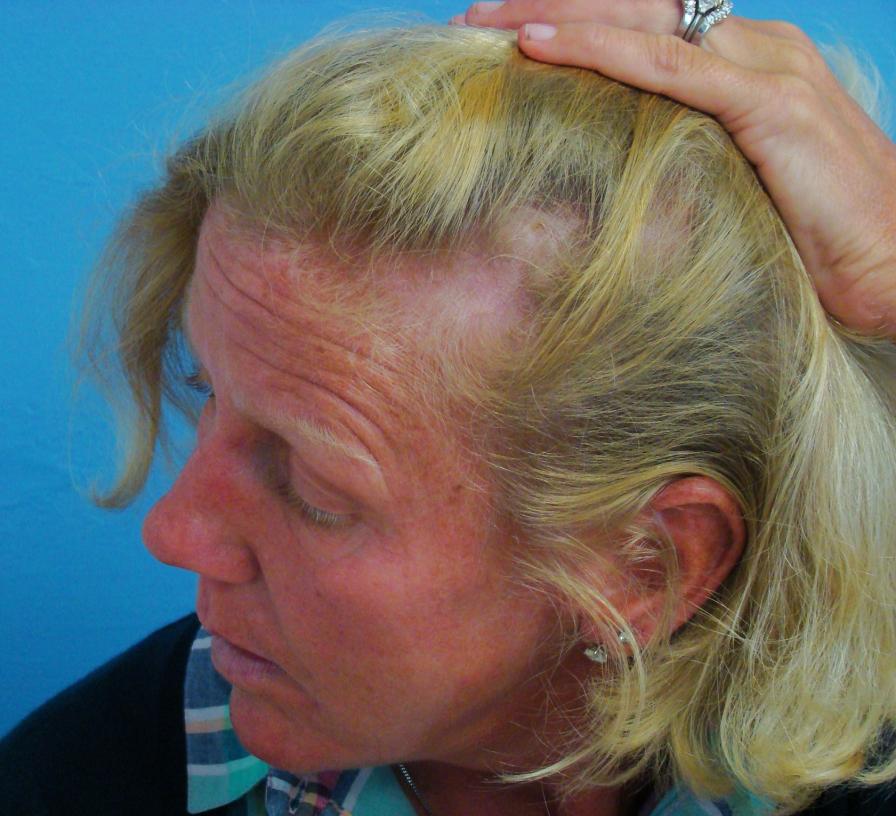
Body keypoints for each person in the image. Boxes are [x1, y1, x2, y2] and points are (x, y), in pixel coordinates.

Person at [2, 2, 896, 815]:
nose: (173, 531)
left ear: (647, 566)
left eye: (313, 489)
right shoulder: (74, 786)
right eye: (207, 392)